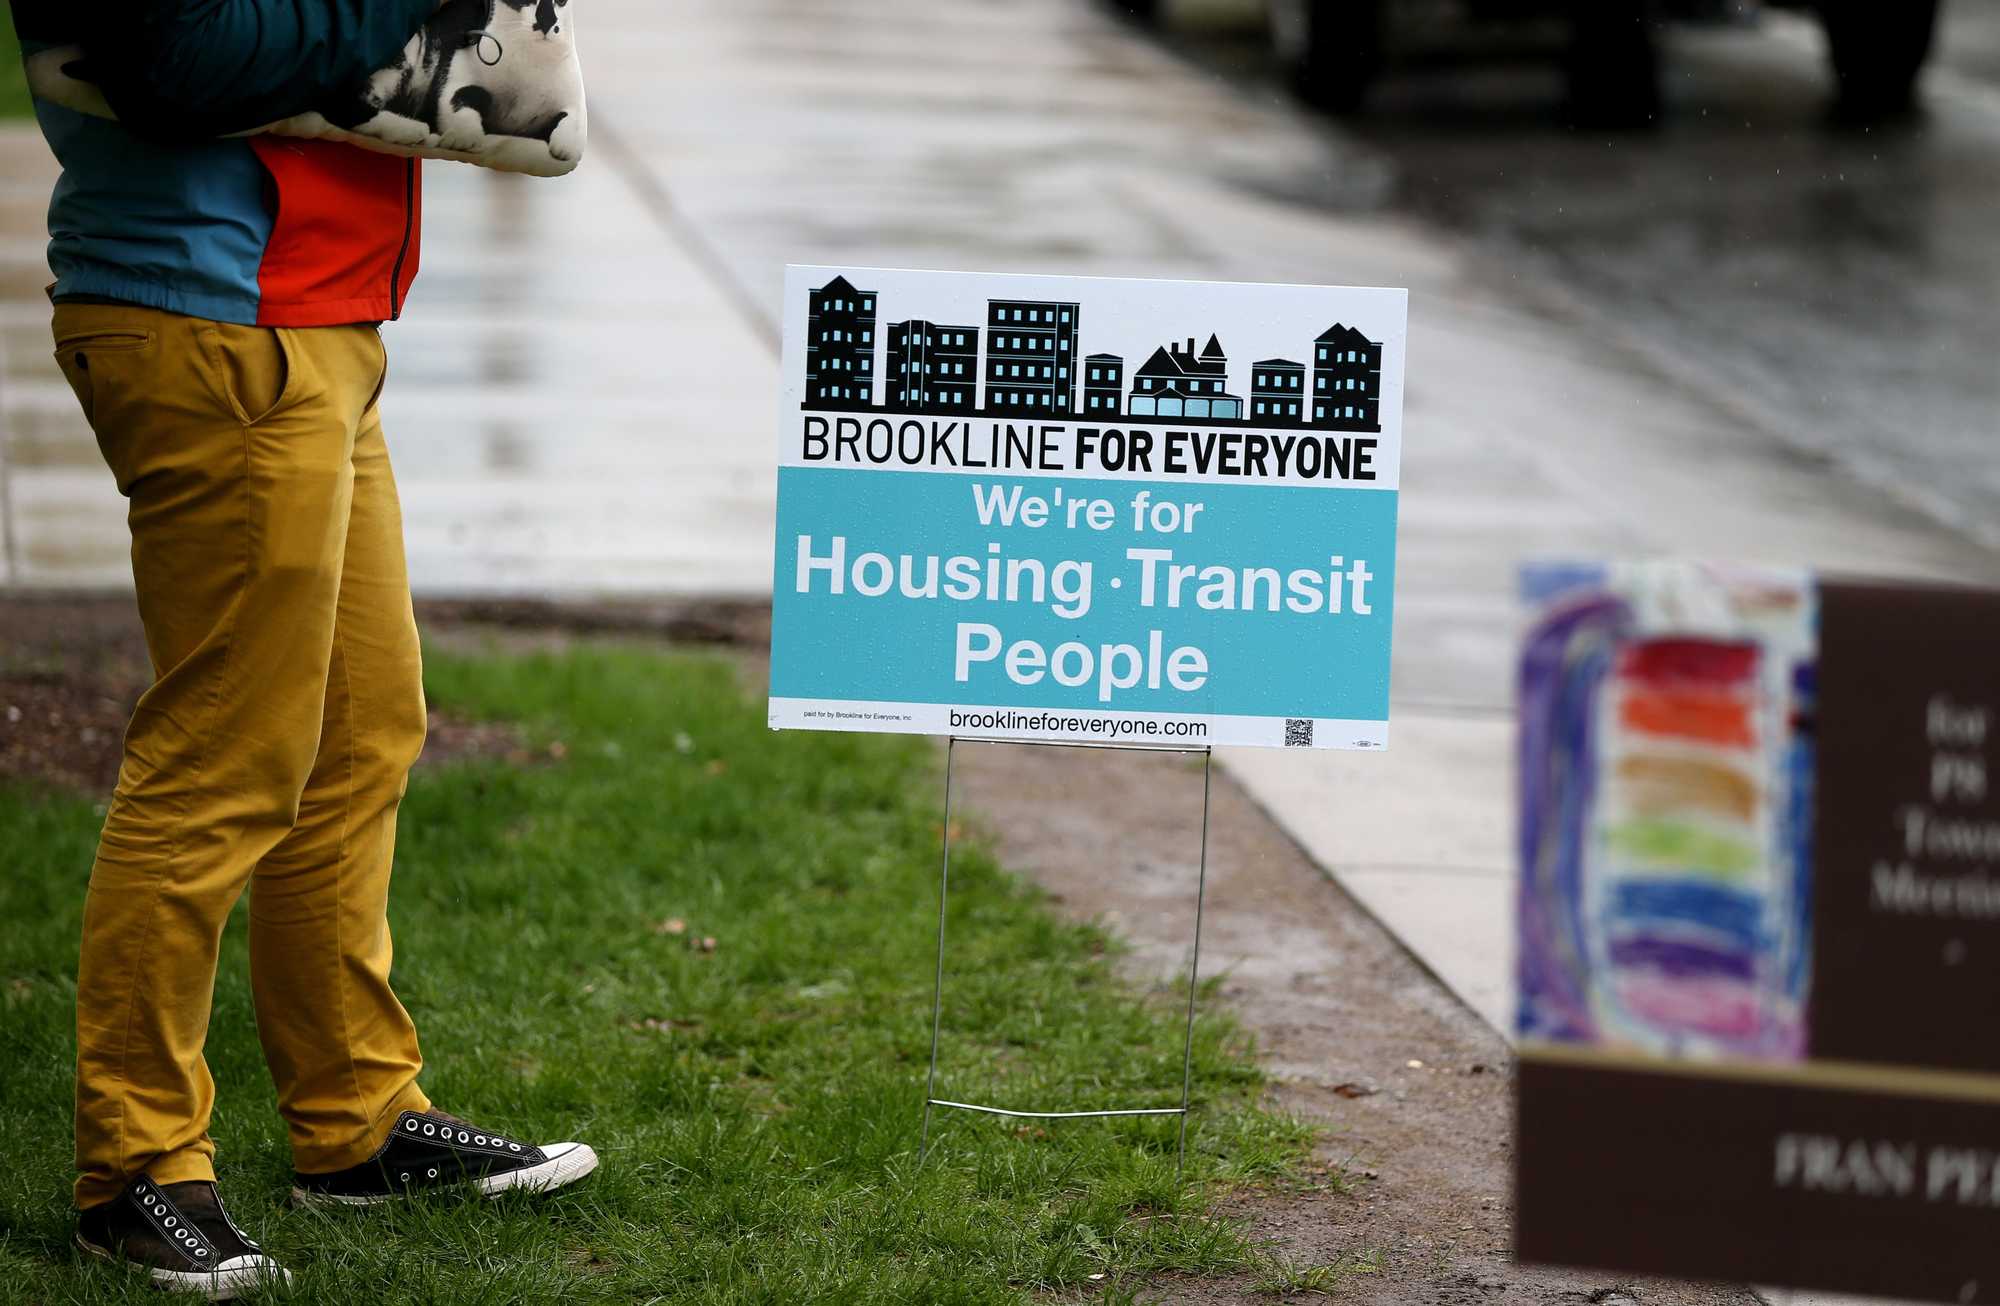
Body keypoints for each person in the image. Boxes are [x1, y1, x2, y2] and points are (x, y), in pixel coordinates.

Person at [7, 2, 597, 1296]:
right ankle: (136, 1170)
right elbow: (174, 57)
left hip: (308, 321)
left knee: (358, 727)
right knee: (223, 762)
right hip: (216, 320)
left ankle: (355, 1119)